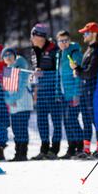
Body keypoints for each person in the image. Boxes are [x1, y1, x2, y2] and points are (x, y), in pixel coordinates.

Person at [70, 22, 98, 159]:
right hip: (85, 90)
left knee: (95, 120)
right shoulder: (89, 49)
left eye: (86, 33)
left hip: (93, 91)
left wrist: (77, 70)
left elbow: (90, 73)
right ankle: (86, 149)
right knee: (85, 119)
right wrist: (77, 69)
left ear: (94, 34)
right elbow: (85, 71)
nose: (84, 35)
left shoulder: (97, 50)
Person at [30, 23, 63, 160]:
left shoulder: (54, 49)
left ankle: (54, 150)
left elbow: (57, 69)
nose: (31, 38)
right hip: (41, 91)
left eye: (33, 35)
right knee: (41, 121)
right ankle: (44, 149)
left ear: (40, 36)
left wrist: (43, 72)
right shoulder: (33, 50)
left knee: (56, 121)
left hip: (53, 91)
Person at [56, 30, 84, 159]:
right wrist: (58, 91)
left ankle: (80, 146)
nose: (64, 43)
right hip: (63, 93)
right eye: (61, 41)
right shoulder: (59, 55)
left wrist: (76, 94)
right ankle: (71, 147)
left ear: (69, 40)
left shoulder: (74, 52)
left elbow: (77, 74)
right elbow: (58, 75)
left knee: (72, 119)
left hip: (73, 93)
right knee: (66, 121)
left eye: (66, 40)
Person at [2, 48, 33, 161]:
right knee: (16, 130)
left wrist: (13, 99)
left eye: (10, 54)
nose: (8, 57)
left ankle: (23, 153)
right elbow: (5, 90)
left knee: (22, 129)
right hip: (13, 107)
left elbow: (21, 86)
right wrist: (9, 101)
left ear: (15, 56)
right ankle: (17, 153)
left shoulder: (21, 67)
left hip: (23, 104)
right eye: (5, 55)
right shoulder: (7, 71)